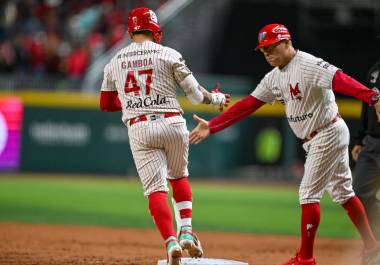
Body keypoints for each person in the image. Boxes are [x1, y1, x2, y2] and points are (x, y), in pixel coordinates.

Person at [189, 23, 380, 265]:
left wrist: (372, 96)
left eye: (271, 47)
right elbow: (249, 105)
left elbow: (340, 79)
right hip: (318, 136)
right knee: (344, 193)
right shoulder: (273, 78)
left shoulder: (309, 64)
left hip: (327, 132)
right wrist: (213, 125)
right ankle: (373, 246)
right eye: (263, 50)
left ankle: (306, 259)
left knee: (308, 194)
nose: (267, 53)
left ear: (287, 42)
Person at [99, 7, 230, 265]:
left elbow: (105, 104)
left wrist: (130, 101)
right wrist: (217, 98)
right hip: (172, 123)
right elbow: (194, 95)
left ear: (129, 32)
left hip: (140, 127)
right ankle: (187, 232)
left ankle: (171, 241)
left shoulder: (114, 61)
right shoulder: (169, 54)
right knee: (178, 177)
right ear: (156, 31)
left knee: (155, 190)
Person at [352, 57, 380, 240]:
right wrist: (360, 138)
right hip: (372, 141)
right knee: (359, 194)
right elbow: (366, 102)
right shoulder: (375, 69)